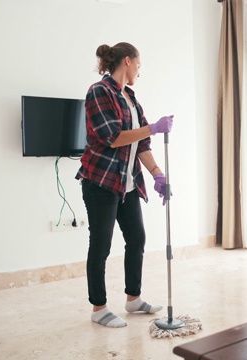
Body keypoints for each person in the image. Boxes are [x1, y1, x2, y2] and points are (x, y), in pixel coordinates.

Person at [76, 42, 173, 328]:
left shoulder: (130, 97)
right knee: (101, 245)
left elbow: (141, 142)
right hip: (101, 182)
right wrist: (153, 126)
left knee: (137, 238)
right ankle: (99, 308)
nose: (139, 73)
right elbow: (113, 137)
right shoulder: (98, 91)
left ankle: (133, 298)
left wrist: (157, 173)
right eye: (139, 66)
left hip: (126, 183)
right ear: (127, 61)